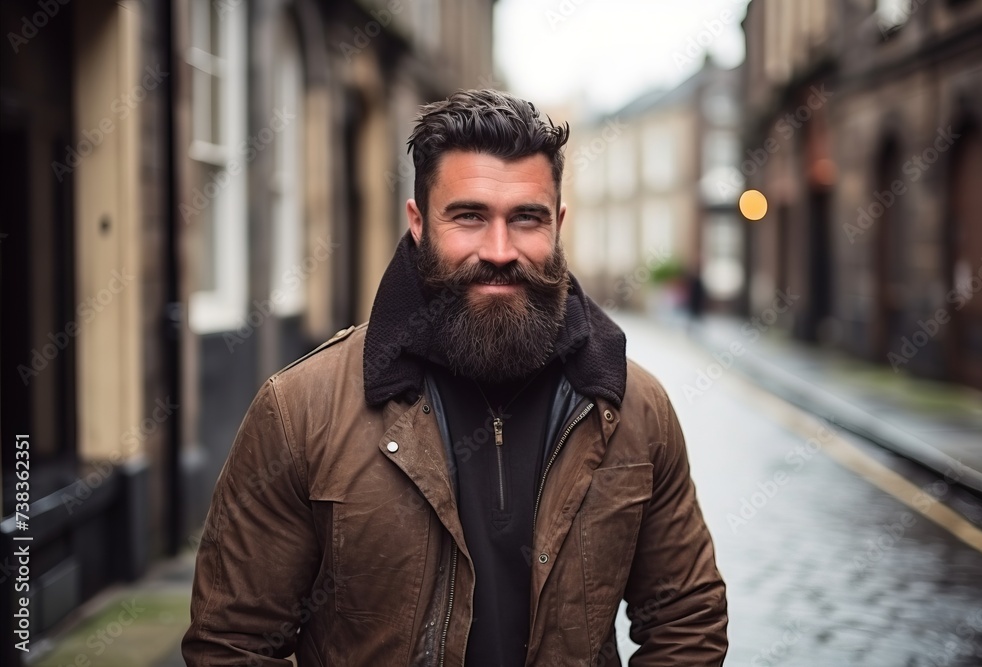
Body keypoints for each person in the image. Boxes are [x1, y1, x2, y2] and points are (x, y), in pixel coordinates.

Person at [182, 89, 728, 666]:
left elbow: (686, 621)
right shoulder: (301, 410)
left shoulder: (634, 408)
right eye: (468, 216)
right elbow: (233, 642)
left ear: (558, 224)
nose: (499, 249)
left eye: (526, 218)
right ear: (419, 223)